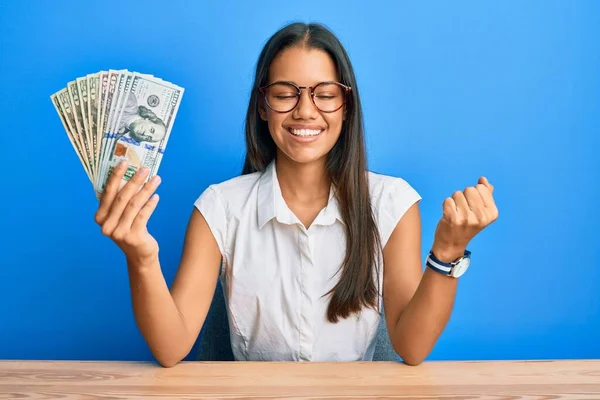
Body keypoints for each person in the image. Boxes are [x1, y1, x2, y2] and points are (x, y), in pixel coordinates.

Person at [94, 22, 498, 367]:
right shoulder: (220, 207)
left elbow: (411, 347)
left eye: (324, 94)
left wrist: (447, 253)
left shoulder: (391, 203)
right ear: (263, 105)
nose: (305, 111)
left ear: (346, 106)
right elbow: (170, 348)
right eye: (286, 93)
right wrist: (141, 258)